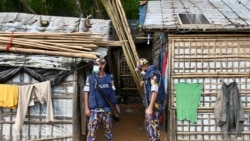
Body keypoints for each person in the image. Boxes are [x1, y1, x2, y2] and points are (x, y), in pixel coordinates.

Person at [84, 57, 118, 141]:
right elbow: (86, 93)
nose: (95, 66)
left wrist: (115, 106)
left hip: (107, 109)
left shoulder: (110, 77)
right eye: (94, 65)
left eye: (97, 64)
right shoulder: (90, 78)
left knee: (109, 133)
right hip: (94, 110)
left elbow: (113, 92)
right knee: (91, 133)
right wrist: (86, 108)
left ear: (103, 66)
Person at [135, 58, 166, 141]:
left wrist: (150, 107)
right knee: (149, 125)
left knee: (153, 128)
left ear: (144, 66)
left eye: (140, 69)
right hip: (151, 105)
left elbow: (154, 91)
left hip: (155, 105)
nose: (140, 71)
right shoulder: (149, 74)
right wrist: (144, 82)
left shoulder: (153, 74)